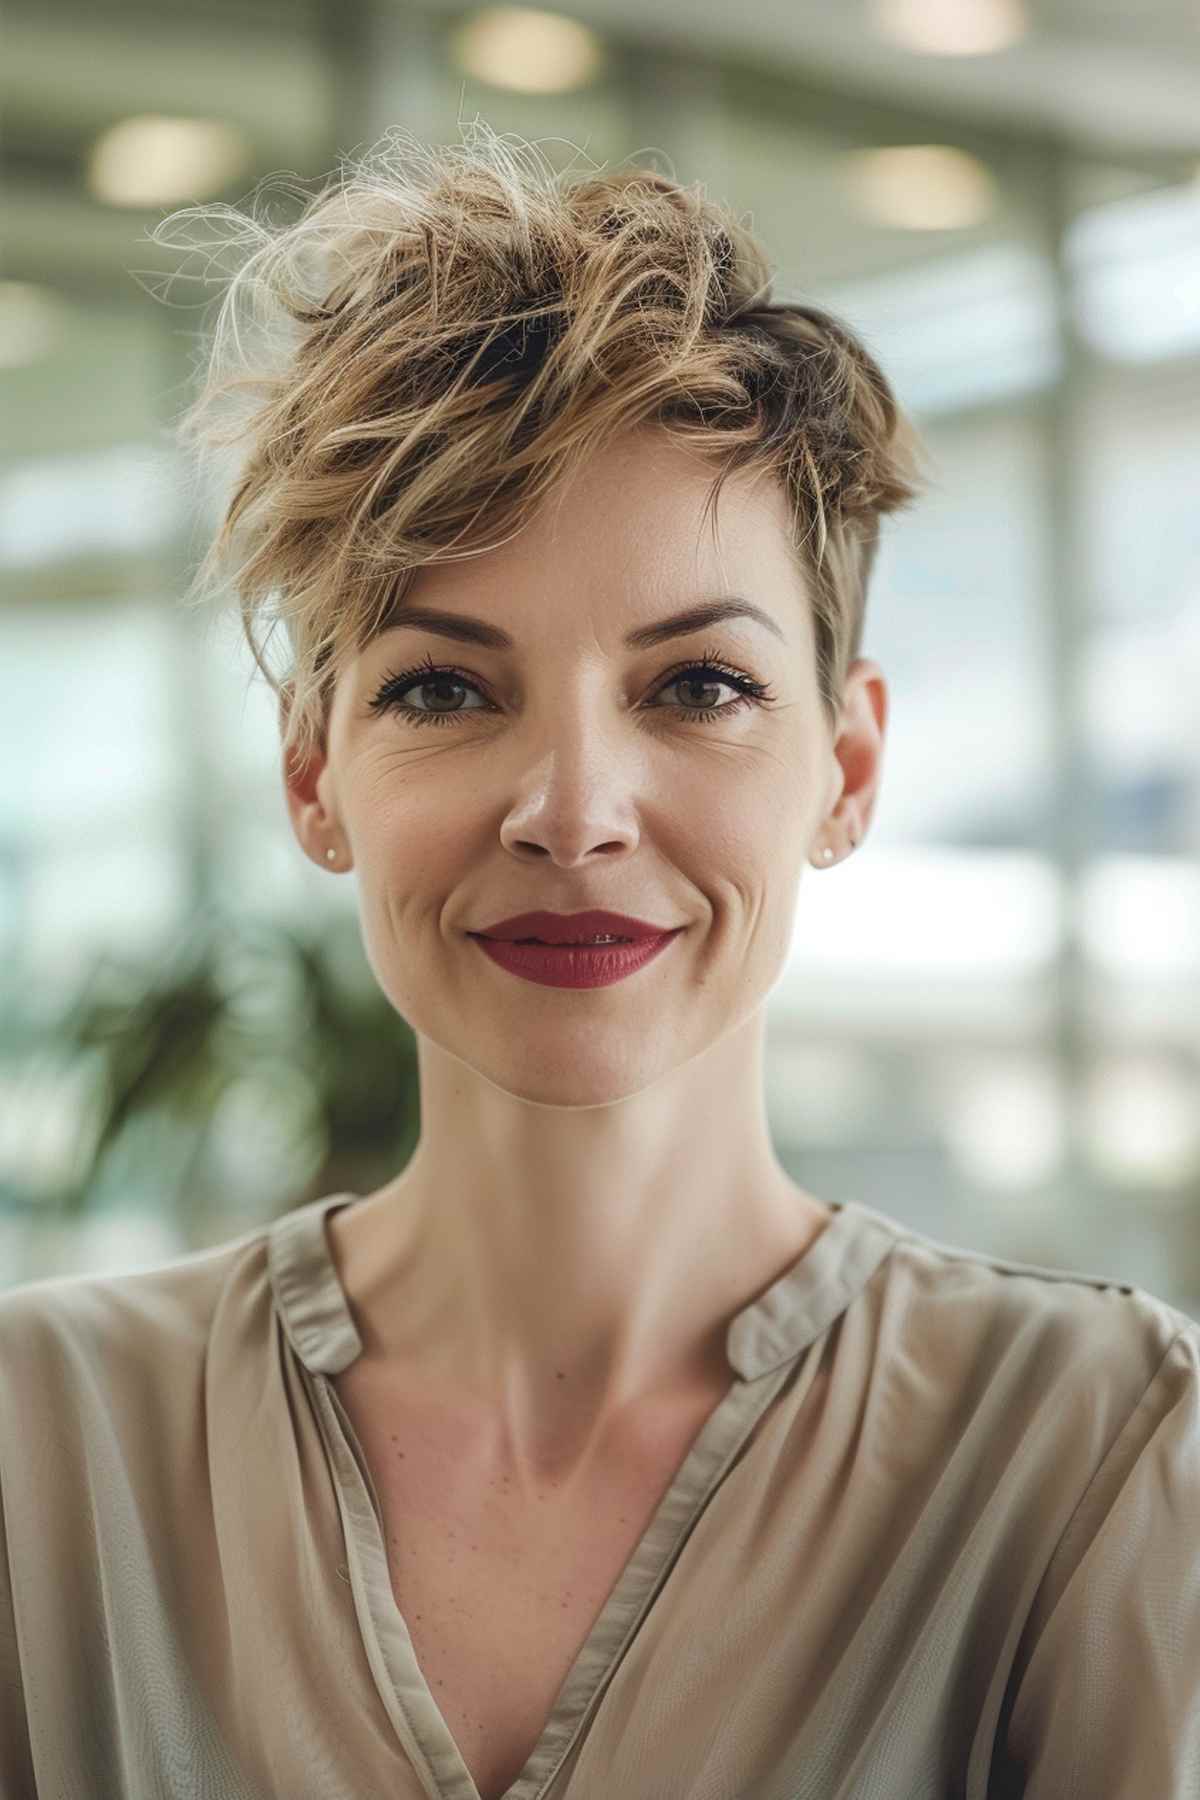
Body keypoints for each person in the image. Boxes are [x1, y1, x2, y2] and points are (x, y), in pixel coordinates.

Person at [2, 122, 1197, 1800]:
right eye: (442, 686)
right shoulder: (47, 1447)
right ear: (310, 774)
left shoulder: (1090, 1447)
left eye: (696, 685)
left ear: (846, 770)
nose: (571, 812)